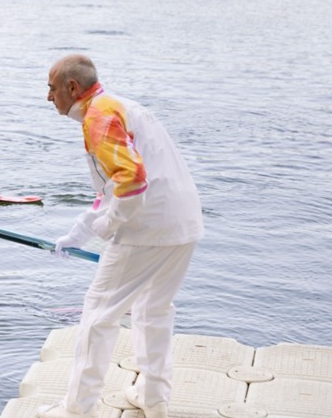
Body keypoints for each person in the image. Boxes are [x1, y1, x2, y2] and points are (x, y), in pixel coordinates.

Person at [36, 55, 203, 418]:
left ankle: (78, 409)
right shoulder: (122, 106)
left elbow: (131, 182)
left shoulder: (98, 116)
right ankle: (154, 398)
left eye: (51, 88)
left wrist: (108, 226)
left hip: (146, 229)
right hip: (184, 221)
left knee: (98, 314)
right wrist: (78, 234)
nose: (48, 97)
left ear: (72, 88)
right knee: (153, 309)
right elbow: (111, 188)